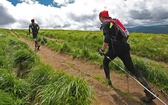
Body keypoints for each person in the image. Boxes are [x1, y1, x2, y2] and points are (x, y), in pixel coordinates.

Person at [98, 10, 156, 103]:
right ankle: (149, 91)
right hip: (125, 47)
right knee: (132, 69)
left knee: (105, 62)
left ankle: (108, 81)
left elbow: (107, 38)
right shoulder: (115, 22)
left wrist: (102, 50)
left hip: (114, 49)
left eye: (99, 18)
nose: (100, 20)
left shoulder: (105, 24)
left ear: (101, 17)